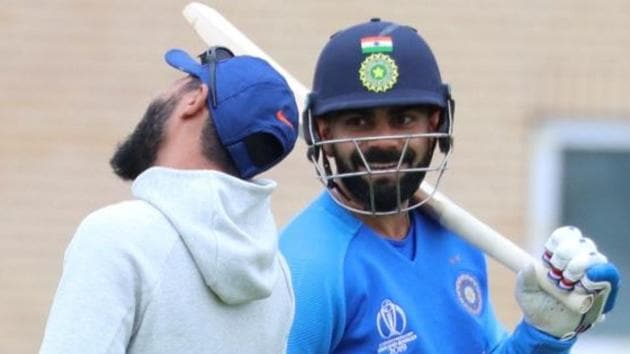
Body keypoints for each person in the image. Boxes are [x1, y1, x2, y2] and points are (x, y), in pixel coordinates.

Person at [280, 18, 620, 354]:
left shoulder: (456, 239)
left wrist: (545, 335)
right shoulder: (305, 268)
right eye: (359, 122)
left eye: (402, 120)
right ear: (324, 132)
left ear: (436, 122)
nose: (383, 142)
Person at [39, 46, 299, 353]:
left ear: (194, 99)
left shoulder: (118, 237)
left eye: (181, 79)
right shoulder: (275, 274)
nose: (159, 94)